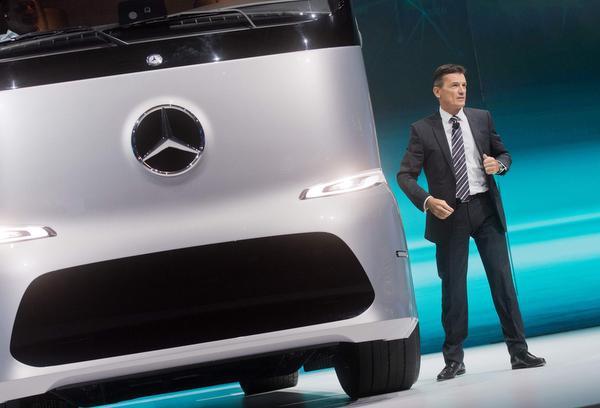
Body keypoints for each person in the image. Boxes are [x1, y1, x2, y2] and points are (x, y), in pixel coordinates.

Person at [397, 64, 546, 381]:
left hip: (485, 209)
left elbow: (504, 154)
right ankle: (454, 360)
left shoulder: (481, 118)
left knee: (503, 283)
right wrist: (427, 201)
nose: (461, 90)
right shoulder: (422, 130)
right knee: (453, 288)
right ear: (437, 91)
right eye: (454, 85)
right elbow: (405, 175)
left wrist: (499, 165)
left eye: (464, 85)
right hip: (449, 215)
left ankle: (519, 352)